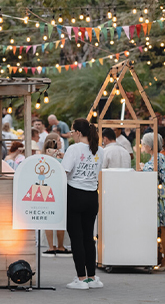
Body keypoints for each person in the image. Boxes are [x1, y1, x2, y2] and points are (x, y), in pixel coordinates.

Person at [62, 119, 104, 289]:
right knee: (88, 237)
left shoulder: (73, 149)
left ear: (78, 133)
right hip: (92, 197)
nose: (71, 135)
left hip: (75, 195)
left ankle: (80, 278)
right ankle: (92, 278)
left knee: (76, 238)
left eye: (72, 132)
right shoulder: (100, 151)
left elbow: (64, 172)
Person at [140, 133, 165, 271]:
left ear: (148, 146)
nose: (143, 146)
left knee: (164, 228)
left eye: (143, 144)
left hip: (163, 199)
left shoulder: (157, 158)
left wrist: (142, 167)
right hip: (164, 197)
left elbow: (150, 173)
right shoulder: (160, 157)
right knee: (164, 228)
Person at [41, 132, 68, 255]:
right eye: (59, 140)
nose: (61, 142)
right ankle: (60, 246)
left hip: (46, 190)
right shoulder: (62, 158)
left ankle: (51, 246)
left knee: (48, 218)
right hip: (60, 190)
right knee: (60, 218)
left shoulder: (42, 157)